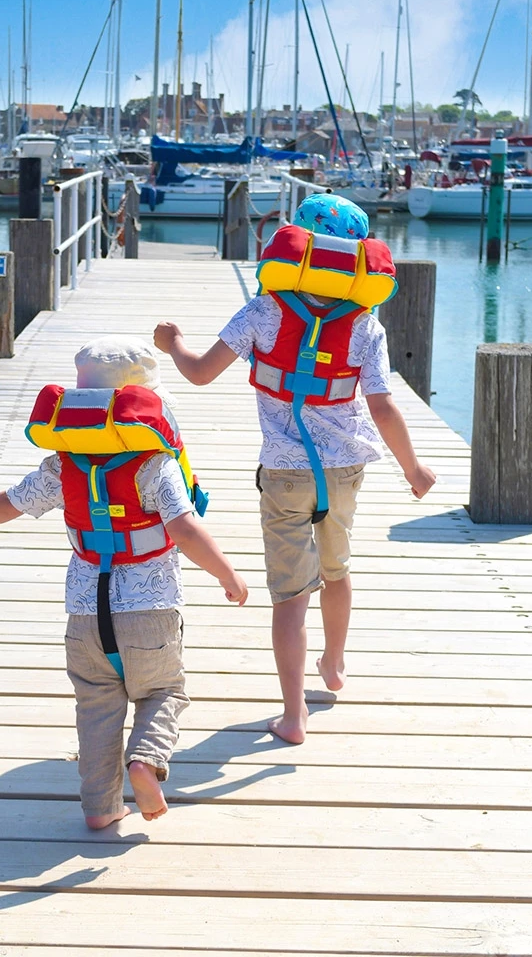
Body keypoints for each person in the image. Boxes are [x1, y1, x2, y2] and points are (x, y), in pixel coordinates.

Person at [154, 193, 436, 745]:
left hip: (285, 472)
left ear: (297, 247)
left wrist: (173, 343)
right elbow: (382, 406)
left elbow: (200, 373)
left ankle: (293, 715)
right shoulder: (365, 325)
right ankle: (334, 661)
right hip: (346, 470)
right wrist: (414, 467)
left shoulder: (263, 310)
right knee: (338, 568)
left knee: (289, 595)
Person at [0, 336, 248, 828]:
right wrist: (226, 572)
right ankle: (145, 763)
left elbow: (10, 503)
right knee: (163, 692)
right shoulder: (155, 464)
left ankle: (101, 808)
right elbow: (185, 528)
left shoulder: (62, 465)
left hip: (85, 616)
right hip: (150, 614)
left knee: (96, 710)